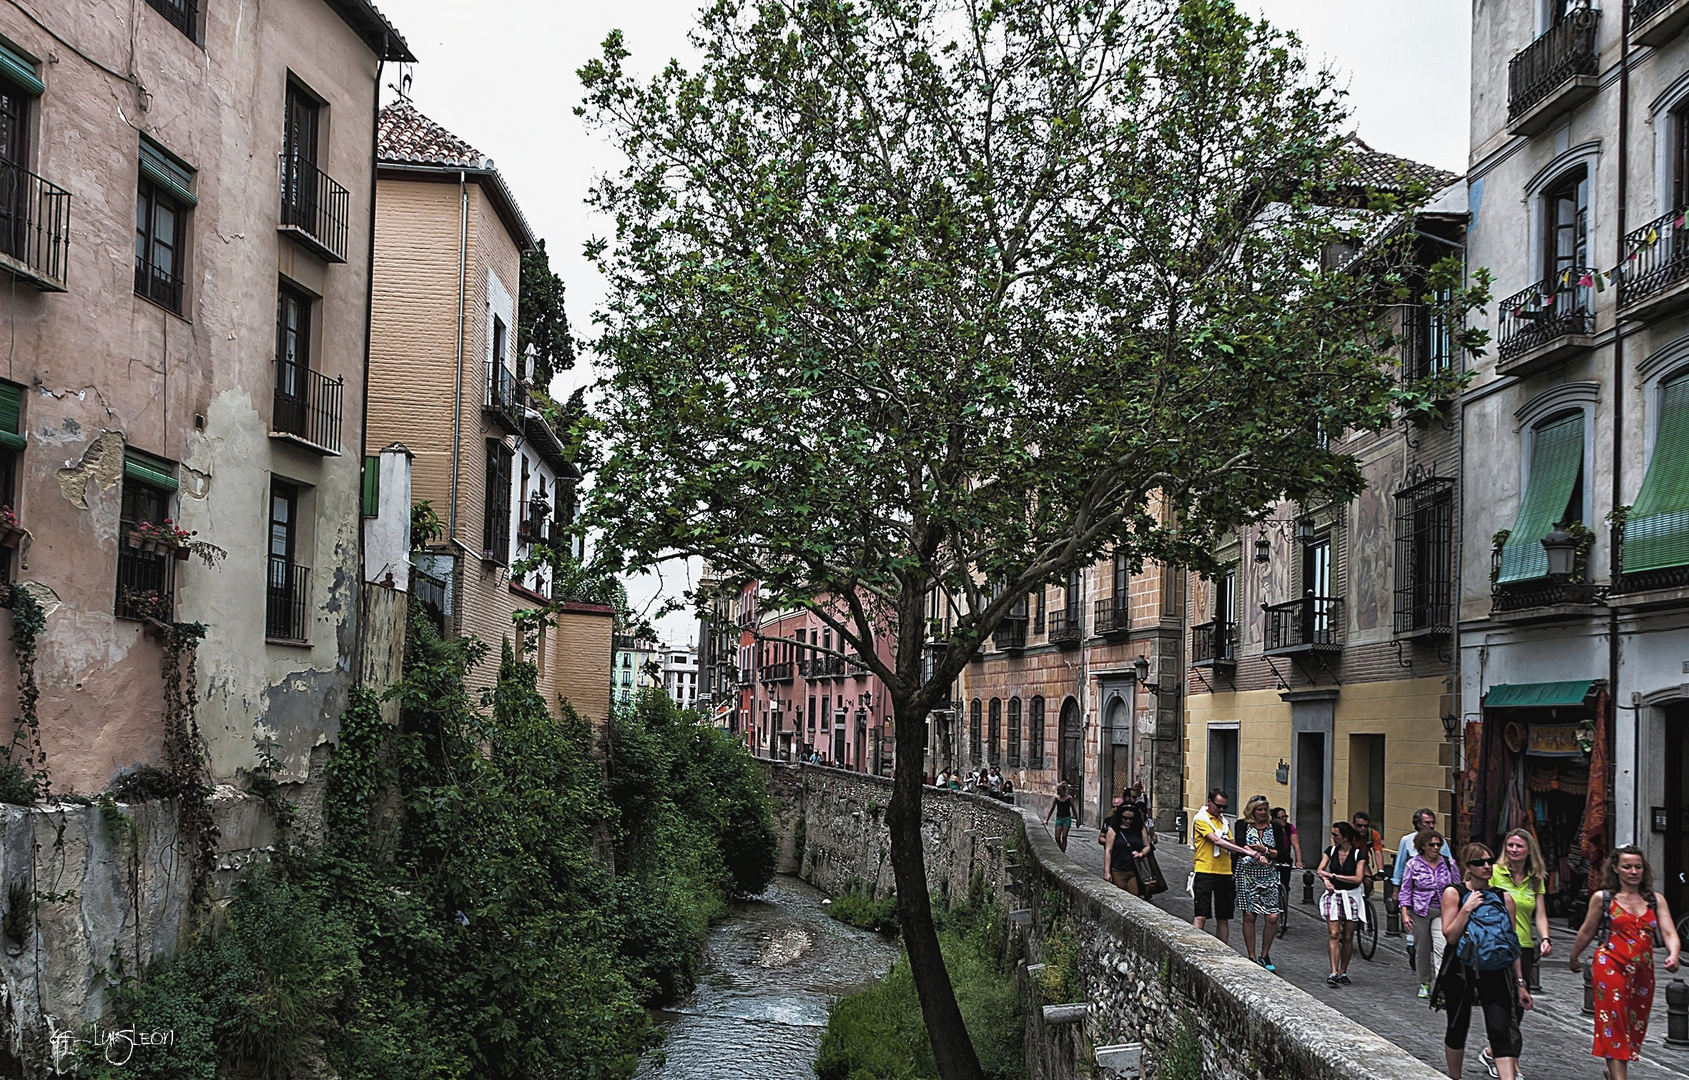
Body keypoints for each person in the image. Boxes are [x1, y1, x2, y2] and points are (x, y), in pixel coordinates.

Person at [1569, 845, 1683, 1080]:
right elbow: (1587, 931)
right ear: (1616, 869)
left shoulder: (1654, 900)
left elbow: (1669, 931)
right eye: (1627, 867)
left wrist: (1673, 954)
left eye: (1638, 867)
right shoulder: (1603, 898)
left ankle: (1614, 1071)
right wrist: (1574, 957)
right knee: (1614, 1021)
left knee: (1634, 1024)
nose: (1633, 871)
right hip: (1610, 965)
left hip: (1642, 972)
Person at [1436, 843, 1532, 1080]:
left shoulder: (1504, 897)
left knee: (1500, 1029)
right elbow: (1450, 935)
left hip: (1496, 969)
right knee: (1458, 1026)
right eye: (1479, 863)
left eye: (1489, 861)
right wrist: (1466, 909)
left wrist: (1520, 982)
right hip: (1460, 968)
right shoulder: (1454, 893)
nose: (1486, 866)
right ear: (1468, 867)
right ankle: (1455, 1077)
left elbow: (1512, 942)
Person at [1191, 788, 1266, 945]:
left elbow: (1232, 843)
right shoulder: (1201, 820)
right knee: (1201, 915)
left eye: (1225, 807)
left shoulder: (1223, 822)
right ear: (1210, 802)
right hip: (1205, 870)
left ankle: (1223, 950)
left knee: (1223, 917)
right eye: (1219, 806)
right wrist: (1248, 853)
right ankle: (1193, 948)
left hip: (1225, 872)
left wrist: (1254, 852)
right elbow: (1217, 841)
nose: (1222, 810)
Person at [1399, 829, 1458, 999]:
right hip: (1420, 911)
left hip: (1443, 911)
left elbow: (1457, 886)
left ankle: (1442, 984)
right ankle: (1424, 982)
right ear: (1423, 846)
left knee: (1442, 946)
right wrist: (1404, 913)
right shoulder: (1413, 865)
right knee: (1422, 949)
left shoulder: (1449, 863)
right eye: (1432, 844)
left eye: (1439, 844)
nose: (1436, 847)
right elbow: (1406, 889)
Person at [1492, 829, 1552, 994]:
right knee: (1500, 998)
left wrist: (1545, 939)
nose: (1514, 849)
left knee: (1519, 999)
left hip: (1524, 945)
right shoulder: (1494, 872)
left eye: (1519, 846)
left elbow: (1540, 914)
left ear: (1529, 851)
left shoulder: (1535, 878)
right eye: (1510, 845)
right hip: (1498, 943)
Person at [1232, 795, 1286, 971]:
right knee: (1249, 915)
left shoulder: (1275, 827)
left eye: (1265, 809)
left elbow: (1282, 852)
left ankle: (1265, 954)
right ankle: (1251, 955)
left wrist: (1265, 851)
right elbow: (1240, 844)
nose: (1263, 813)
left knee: (1272, 916)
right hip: (1247, 874)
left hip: (1268, 874)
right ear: (1252, 810)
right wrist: (1254, 854)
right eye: (1259, 809)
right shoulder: (1242, 825)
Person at [1317, 821, 1369, 985]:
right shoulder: (1330, 851)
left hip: (1352, 896)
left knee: (1347, 936)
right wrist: (1326, 880)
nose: (1333, 837)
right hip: (1334, 895)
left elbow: (1358, 878)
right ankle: (1333, 972)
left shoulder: (1358, 855)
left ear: (1345, 837)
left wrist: (1333, 876)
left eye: (1336, 835)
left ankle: (1343, 971)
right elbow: (1320, 870)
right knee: (1334, 934)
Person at [1104, 803, 1151, 896]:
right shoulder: (1113, 830)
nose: (1128, 821)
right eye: (1125, 818)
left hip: (1134, 869)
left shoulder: (1140, 828)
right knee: (1121, 896)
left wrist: (1141, 853)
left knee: (1135, 896)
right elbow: (1108, 851)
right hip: (1118, 870)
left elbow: (1147, 846)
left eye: (1131, 819)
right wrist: (1107, 872)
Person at [1271, 806, 1300, 940]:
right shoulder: (1270, 827)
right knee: (1271, 887)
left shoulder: (1289, 828)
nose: (1284, 819)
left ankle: (1283, 917)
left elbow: (1296, 845)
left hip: (1285, 858)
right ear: (1274, 818)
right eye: (1281, 817)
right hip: (1272, 858)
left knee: (1284, 888)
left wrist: (1299, 861)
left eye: (1285, 816)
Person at [1044, 782, 1076, 851]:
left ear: (1064, 790)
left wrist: (1077, 820)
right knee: (1057, 837)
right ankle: (1062, 849)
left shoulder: (1069, 798)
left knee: (1064, 836)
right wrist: (1046, 820)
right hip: (1059, 819)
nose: (1058, 792)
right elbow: (1051, 809)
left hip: (1067, 819)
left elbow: (1073, 809)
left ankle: (1063, 852)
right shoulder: (1056, 798)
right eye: (1057, 790)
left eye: (1059, 790)